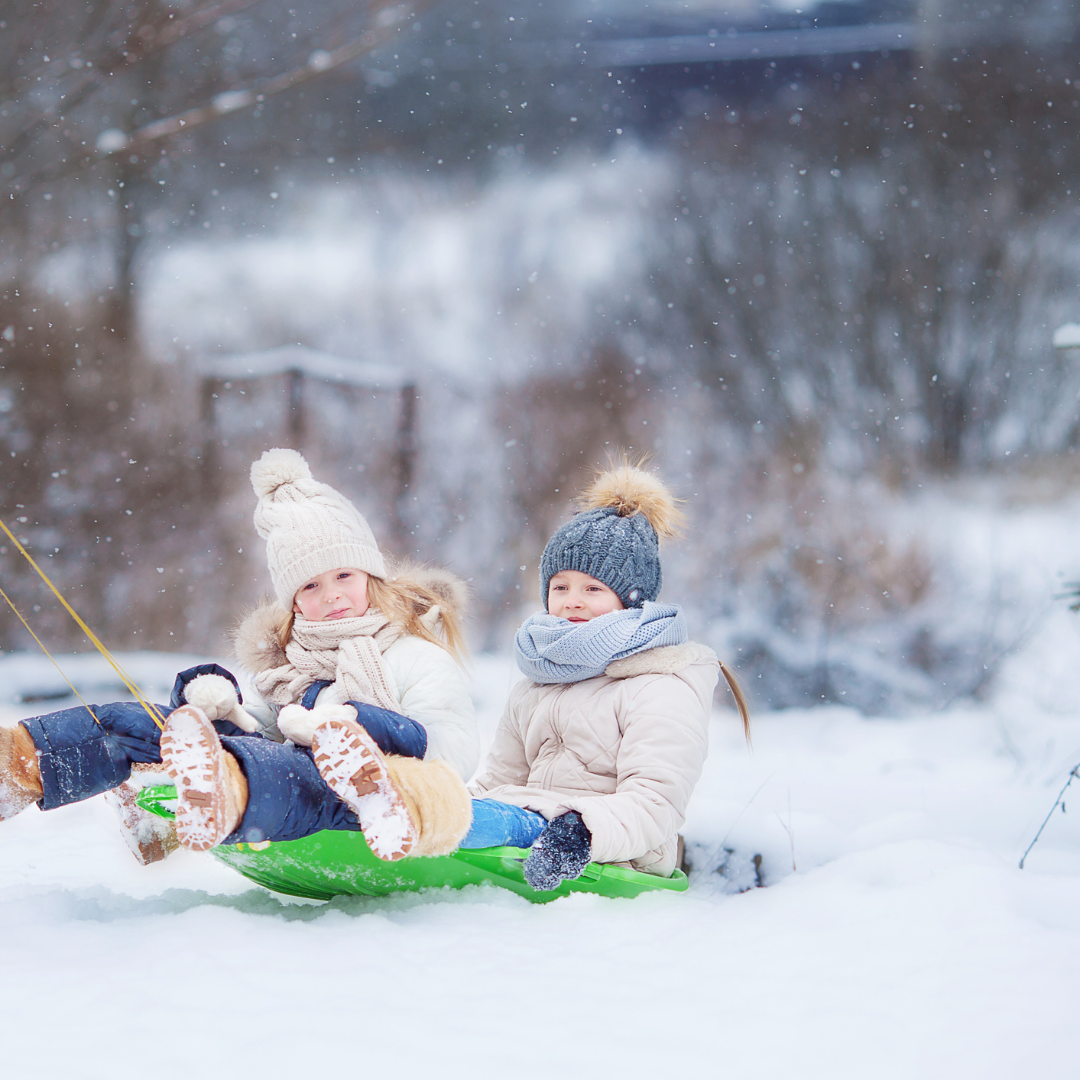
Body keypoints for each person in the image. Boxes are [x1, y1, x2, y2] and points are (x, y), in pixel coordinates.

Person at [0, 448, 480, 862]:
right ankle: (18, 767)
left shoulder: (415, 655)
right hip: (292, 763)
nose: (331, 596)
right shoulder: (296, 664)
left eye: (344, 577)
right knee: (141, 721)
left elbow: (451, 753)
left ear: (371, 578)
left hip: (375, 797)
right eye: (310, 585)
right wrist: (226, 714)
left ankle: (216, 789)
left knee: (286, 772)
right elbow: (277, 728)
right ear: (293, 603)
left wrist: (353, 725)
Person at [312, 460, 749, 890]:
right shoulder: (538, 681)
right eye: (560, 587)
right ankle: (352, 808)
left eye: (592, 589)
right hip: (526, 829)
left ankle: (392, 809)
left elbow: (656, 803)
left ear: (631, 598)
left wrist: (582, 832)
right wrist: (464, 799)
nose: (572, 602)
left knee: (446, 814)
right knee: (454, 806)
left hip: (610, 854)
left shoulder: (660, 684)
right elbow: (499, 780)